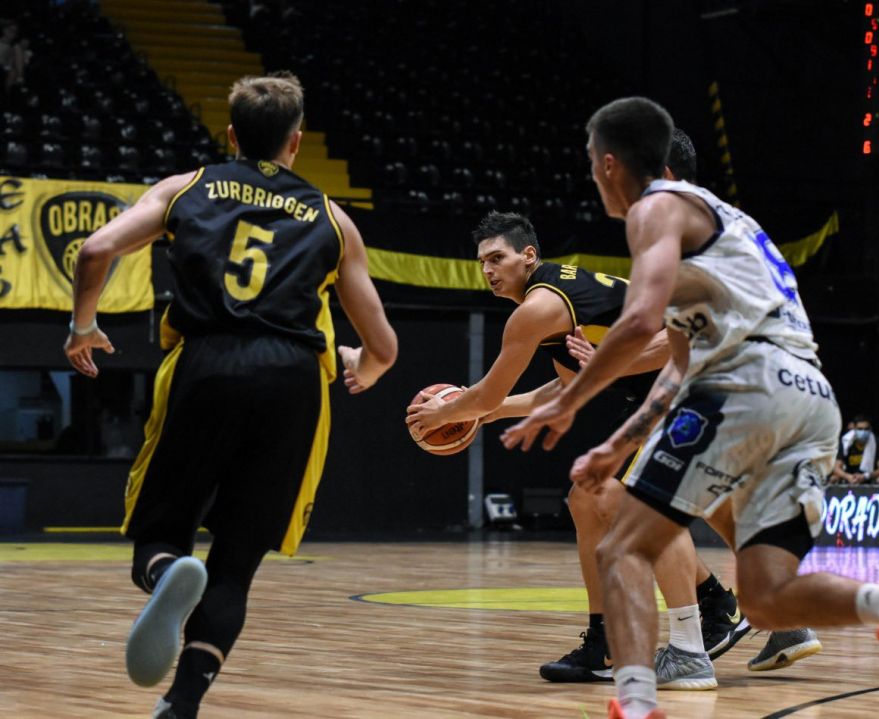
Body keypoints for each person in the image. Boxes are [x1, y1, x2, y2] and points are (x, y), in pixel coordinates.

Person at [501, 96, 879, 719]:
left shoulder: (658, 206)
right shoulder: (728, 230)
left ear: (618, 164)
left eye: (594, 163)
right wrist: (619, 441)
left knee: (622, 546)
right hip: (810, 403)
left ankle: (642, 699)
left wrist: (570, 401)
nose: (594, 178)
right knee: (768, 597)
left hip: (747, 387)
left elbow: (638, 324)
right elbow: (678, 366)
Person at [64, 72, 398, 719]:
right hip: (295, 380)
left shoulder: (187, 187)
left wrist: (82, 325)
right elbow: (383, 346)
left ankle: (166, 573)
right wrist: (364, 366)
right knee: (237, 563)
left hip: (207, 361)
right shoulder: (334, 220)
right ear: (296, 141)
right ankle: (182, 703)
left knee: (160, 534)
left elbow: (96, 249)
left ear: (231, 135)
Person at [406, 209, 742, 688]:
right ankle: (612, 641)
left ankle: (697, 635)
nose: (488, 270)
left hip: (694, 383)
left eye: (497, 258)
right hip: (678, 389)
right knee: (588, 500)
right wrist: (483, 413)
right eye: (482, 262)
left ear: (528, 256)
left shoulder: (537, 309)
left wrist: (449, 411)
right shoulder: (557, 301)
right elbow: (565, 390)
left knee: (646, 507)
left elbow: (489, 392)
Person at [830, 414, 879, 484]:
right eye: (860, 429)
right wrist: (848, 477)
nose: (863, 432)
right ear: (854, 429)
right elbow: (836, 468)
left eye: (866, 429)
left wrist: (865, 476)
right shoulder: (845, 441)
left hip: (868, 476)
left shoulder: (875, 441)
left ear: (870, 429)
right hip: (849, 476)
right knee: (833, 478)